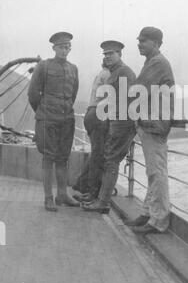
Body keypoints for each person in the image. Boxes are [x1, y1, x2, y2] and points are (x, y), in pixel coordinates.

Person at [128, 27, 175, 234]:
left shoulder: (157, 63)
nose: (139, 43)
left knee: (157, 173)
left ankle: (158, 221)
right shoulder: (152, 62)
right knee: (153, 172)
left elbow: (137, 89)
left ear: (156, 43)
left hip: (155, 125)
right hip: (149, 123)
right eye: (139, 40)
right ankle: (148, 212)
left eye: (144, 41)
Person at [28, 31, 80, 211]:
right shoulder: (43, 66)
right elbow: (33, 94)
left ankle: (62, 194)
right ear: (54, 48)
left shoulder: (73, 68)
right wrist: (43, 111)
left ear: (70, 48)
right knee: (48, 158)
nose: (64, 50)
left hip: (67, 119)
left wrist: (63, 109)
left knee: (63, 157)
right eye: (60, 47)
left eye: (67, 47)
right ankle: (48, 197)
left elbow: (72, 94)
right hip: (47, 119)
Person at [82, 40, 136, 214]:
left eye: (111, 53)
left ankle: (103, 202)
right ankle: (100, 199)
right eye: (105, 54)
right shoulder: (114, 73)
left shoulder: (124, 73)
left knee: (111, 161)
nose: (107, 57)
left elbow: (130, 101)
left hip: (122, 124)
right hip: (115, 123)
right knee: (108, 160)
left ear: (120, 54)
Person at [72, 59, 110, 202]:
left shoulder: (101, 74)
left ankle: (81, 184)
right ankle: (92, 191)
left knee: (96, 152)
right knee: (99, 155)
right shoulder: (108, 75)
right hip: (98, 115)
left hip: (91, 113)